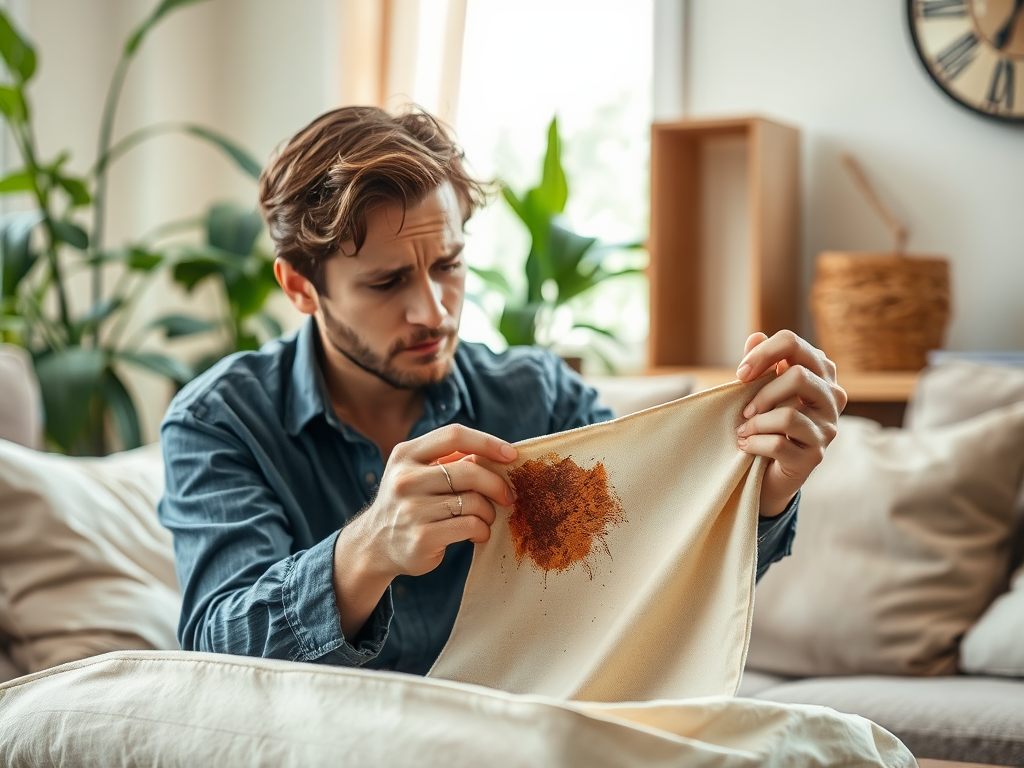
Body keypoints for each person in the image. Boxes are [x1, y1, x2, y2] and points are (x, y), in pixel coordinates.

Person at [158, 106, 846, 675]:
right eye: (386, 282)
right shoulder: (221, 421)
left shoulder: (538, 396)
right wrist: (367, 551)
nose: (434, 311)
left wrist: (767, 490)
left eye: (449, 265)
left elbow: (647, 580)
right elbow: (214, 656)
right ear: (301, 287)